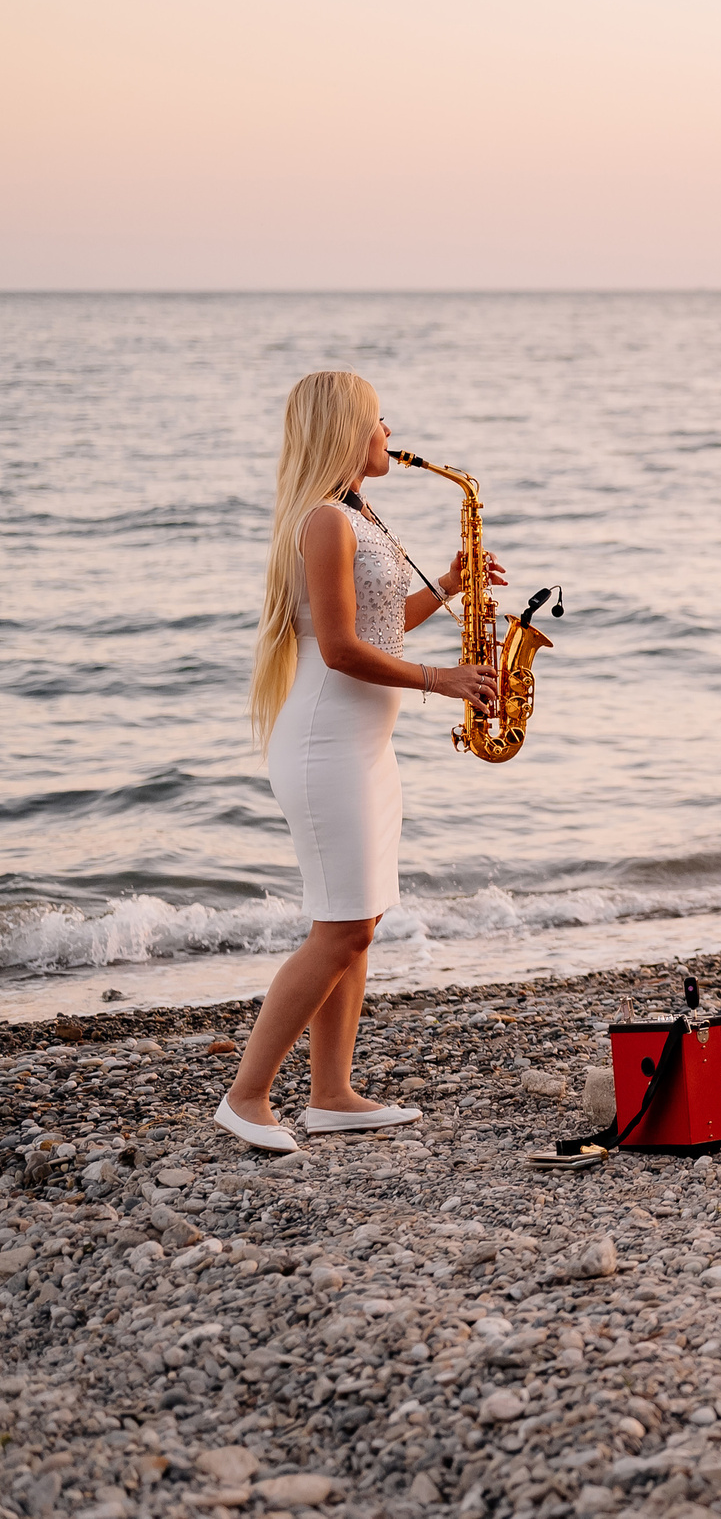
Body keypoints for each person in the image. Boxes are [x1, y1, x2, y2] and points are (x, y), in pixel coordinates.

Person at [219, 371, 501, 1153]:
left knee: (359, 925)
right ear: (347, 429)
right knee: (337, 928)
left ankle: (333, 1094)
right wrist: (441, 679)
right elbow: (341, 651)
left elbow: (376, 628)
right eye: (379, 422)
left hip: (362, 749)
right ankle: (246, 1097)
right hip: (323, 746)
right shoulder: (323, 522)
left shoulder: (355, 514)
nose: (390, 434)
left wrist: (448, 586)